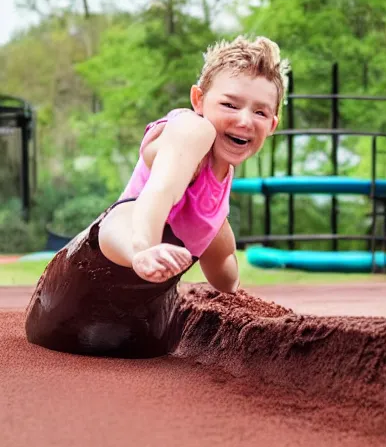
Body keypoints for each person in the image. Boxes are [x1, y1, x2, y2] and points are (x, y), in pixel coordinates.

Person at [25, 35, 288, 358]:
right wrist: (143, 248)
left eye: (260, 113)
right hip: (67, 301)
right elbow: (162, 189)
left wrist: (238, 291)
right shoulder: (191, 131)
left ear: (273, 124)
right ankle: (141, 252)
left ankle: (149, 263)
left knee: (217, 237)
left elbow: (225, 273)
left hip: (138, 337)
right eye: (230, 105)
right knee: (129, 214)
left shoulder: (218, 200)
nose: (245, 120)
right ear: (199, 100)